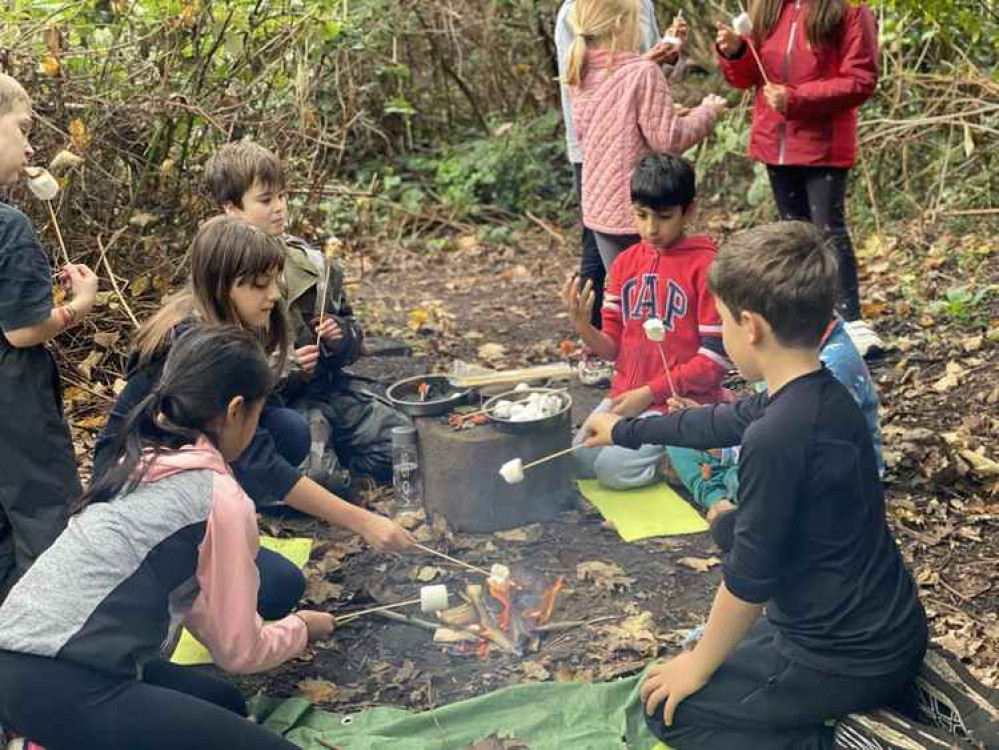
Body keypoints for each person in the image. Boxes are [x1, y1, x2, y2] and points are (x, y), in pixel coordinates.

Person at [583, 221, 932, 748]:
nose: (720, 330)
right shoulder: (818, 393)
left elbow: (749, 580)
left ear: (749, 327)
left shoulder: (778, 435)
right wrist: (624, 429)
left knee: (673, 712)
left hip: (848, 654)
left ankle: (838, 739)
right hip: (880, 620)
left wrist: (698, 667)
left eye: (720, 319)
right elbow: (714, 422)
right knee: (720, 603)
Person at [0, 327, 335, 750]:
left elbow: (198, 602)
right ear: (236, 411)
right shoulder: (218, 497)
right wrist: (302, 628)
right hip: (66, 680)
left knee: (224, 702)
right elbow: (239, 653)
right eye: (259, 413)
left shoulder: (141, 458)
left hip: (19, 657)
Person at [94, 216, 412, 621]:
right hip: (134, 496)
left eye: (274, 281)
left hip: (176, 471)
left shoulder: (217, 320)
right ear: (223, 285)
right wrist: (364, 522)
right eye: (260, 285)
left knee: (287, 428)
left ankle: (220, 531)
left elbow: (259, 439)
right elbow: (259, 462)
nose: (274, 295)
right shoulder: (197, 346)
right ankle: (185, 570)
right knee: (280, 588)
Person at [205, 140, 408, 496]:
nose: (280, 208)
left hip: (326, 394)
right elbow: (222, 379)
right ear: (231, 208)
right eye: (266, 200)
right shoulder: (221, 276)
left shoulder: (312, 265)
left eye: (282, 196)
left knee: (403, 442)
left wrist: (341, 337)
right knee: (321, 484)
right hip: (272, 413)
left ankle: (340, 461)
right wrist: (289, 366)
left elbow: (352, 332)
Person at [715, 0, 884, 356]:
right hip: (774, 142)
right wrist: (735, 52)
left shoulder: (849, 11)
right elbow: (750, 78)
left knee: (827, 231)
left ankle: (849, 320)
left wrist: (796, 99)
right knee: (793, 236)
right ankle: (806, 326)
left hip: (823, 144)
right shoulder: (767, 9)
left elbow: (861, 79)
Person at [564, 153, 729, 491]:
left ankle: (681, 457)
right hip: (627, 395)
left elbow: (713, 360)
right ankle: (669, 447)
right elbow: (612, 349)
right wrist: (584, 328)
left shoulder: (706, 266)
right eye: (641, 215)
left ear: (689, 210)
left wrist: (649, 392)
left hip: (676, 403)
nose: (651, 228)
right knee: (580, 461)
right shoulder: (624, 265)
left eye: (664, 217)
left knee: (612, 473)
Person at [0, 72, 100, 603]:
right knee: (45, 521)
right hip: (14, 403)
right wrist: (76, 307)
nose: (32, 145)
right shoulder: (9, 226)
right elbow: (22, 330)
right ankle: (51, 654)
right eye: (22, 128)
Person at [668, 313, 884, 549]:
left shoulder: (829, 370)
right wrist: (709, 427)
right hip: (773, 451)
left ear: (753, 325)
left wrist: (725, 447)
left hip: (823, 483)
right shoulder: (785, 349)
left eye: (726, 323)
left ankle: (735, 500)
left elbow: (797, 450)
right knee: (680, 435)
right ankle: (718, 500)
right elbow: (763, 418)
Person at [565, 0, 726, 272]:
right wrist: (708, 113)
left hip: (601, 211)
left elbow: (610, 114)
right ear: (620, 25)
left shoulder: (579, 70)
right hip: (642, 211)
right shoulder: (642, 73)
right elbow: (670, 140)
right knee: (654, 299)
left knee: (624, 296)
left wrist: (664, 55)